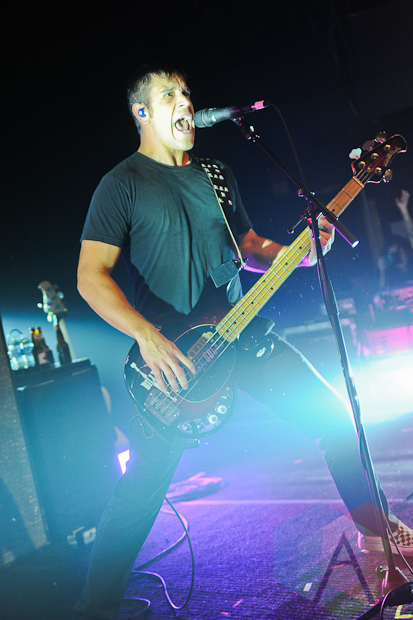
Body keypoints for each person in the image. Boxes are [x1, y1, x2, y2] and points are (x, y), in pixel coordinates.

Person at [74, 64, 413, 620]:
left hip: (243, 333)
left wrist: (302, 252)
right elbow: (91, 277)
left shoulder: (216, 172)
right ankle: (95, 609)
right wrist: (147, 336)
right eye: (169, 95)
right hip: (177, 362)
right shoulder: (122, 185)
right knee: (141, 491)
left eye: (187, 92)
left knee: (333, 418)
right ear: (142, 112)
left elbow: (249, 245)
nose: (186, 102)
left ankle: (376, 531)